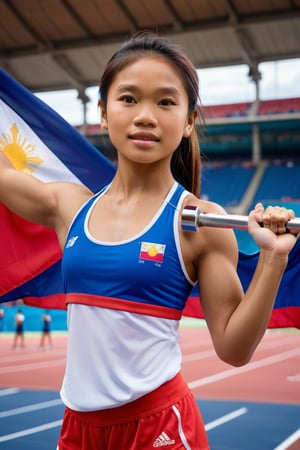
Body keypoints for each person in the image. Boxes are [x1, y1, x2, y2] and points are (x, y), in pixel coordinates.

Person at [0, 31, 298, 450]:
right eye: (128, 99)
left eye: (165, 101)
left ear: (189, 120)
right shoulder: (68, 207)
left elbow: (233, 349)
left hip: (158, 429)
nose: (145, 115)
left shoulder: (198, 222)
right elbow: (4, 173)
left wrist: (272, 257)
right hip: (77, 432)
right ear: (102, 113)